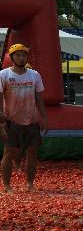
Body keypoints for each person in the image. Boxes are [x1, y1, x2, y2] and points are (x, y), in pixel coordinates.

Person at [0, 44, 48, 193]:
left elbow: (39, 99)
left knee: (32, 152)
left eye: (24, 55)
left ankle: (29, 183)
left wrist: (44, 118)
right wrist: (1, 118)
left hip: (31, 120)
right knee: (9, 152)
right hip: (11, 120)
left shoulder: (34, 75)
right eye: (18, 55)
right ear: (12, 57)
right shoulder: (4, 75)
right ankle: (7, 185)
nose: (21, 58)